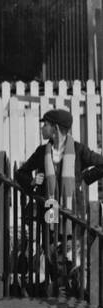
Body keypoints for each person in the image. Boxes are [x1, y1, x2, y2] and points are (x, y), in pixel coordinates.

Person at [13, 109, 103, 297]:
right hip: (50, 216)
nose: (42, 128)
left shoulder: (79, 150)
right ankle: (57, 292)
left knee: (73, 258)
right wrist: (32, 182)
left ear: (55, 128)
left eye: (44, 124)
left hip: (72, 216)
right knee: (52, 255)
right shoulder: (41, 152)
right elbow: (20, 173)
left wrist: (84, 178)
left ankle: (74, 293)